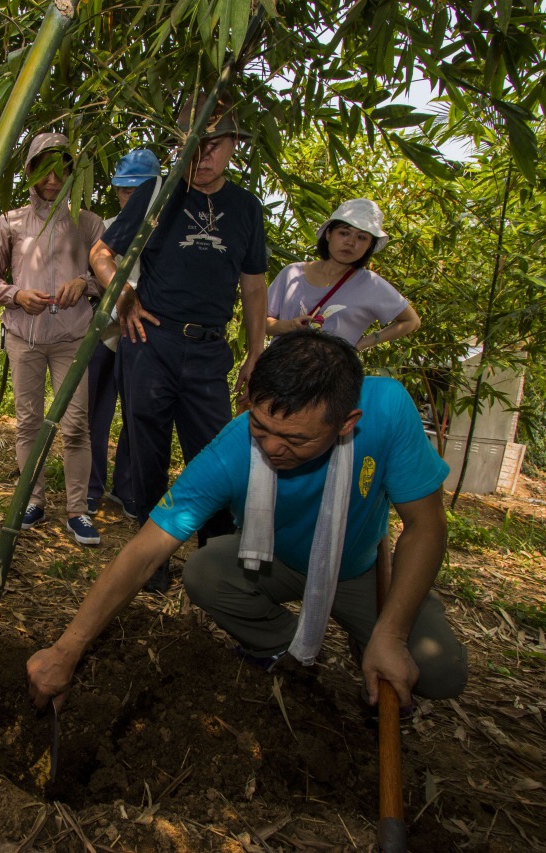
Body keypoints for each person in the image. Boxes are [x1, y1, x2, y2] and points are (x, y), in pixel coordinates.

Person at [28, 330, 468, 712]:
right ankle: (286, 647)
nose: (273, 448)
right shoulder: (234, 448)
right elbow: (145, 552)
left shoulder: (388, 409)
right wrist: (67, 650)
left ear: (347, 423)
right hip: (274, 560)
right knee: (205, 572)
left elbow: (425, 527)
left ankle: (368, 637)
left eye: (296, 438)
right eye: (261, 427)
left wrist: (390, 635)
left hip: (358, 568)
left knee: (439, 671)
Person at [88, 97, 268, 590]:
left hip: (209, 350)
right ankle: (151, 562)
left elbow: (254, 286)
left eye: (215, 145)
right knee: (145, 449)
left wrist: (256, 353)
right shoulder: (156, 193)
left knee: (213, 452)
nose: (204, 156)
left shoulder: (247, 208)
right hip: (150, 339)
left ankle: (217, 555)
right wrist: (123, 295)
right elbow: (101, 252)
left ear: (233, 147)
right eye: (194, 145)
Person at [0, 132, 105, 547]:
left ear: (72, 173)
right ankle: (32, 499)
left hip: (72, 337)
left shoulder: (87, 224)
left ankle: (77, 510)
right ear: (30, 171)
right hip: (24, 337)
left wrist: (83, 283)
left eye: (61, 170)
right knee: (29, 422)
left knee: (75, 426)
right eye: (43, 169)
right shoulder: (11, 222)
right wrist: (16, 295)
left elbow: (108, 276)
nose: (52, 180)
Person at [86, 148, 161, 520]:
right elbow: (99, 271)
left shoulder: (168, 225)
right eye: (123, 191)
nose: (129, 199)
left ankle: (127, 489)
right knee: (95, 411)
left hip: (147, 334)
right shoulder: (111, 227)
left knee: (139, 413)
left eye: (139, 191)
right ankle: (90, 488)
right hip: (106, 329)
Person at [266, 199, 420, 350]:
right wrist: (288, 326)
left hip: (334, 373)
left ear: (369, 246)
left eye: (361, 237)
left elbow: (411, 321)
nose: (350, 242)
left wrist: (362, 343)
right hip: (281, 370)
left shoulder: (371, 284)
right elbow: (259, 322)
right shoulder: (292, 273)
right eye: (344, 233)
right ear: (328, 234)